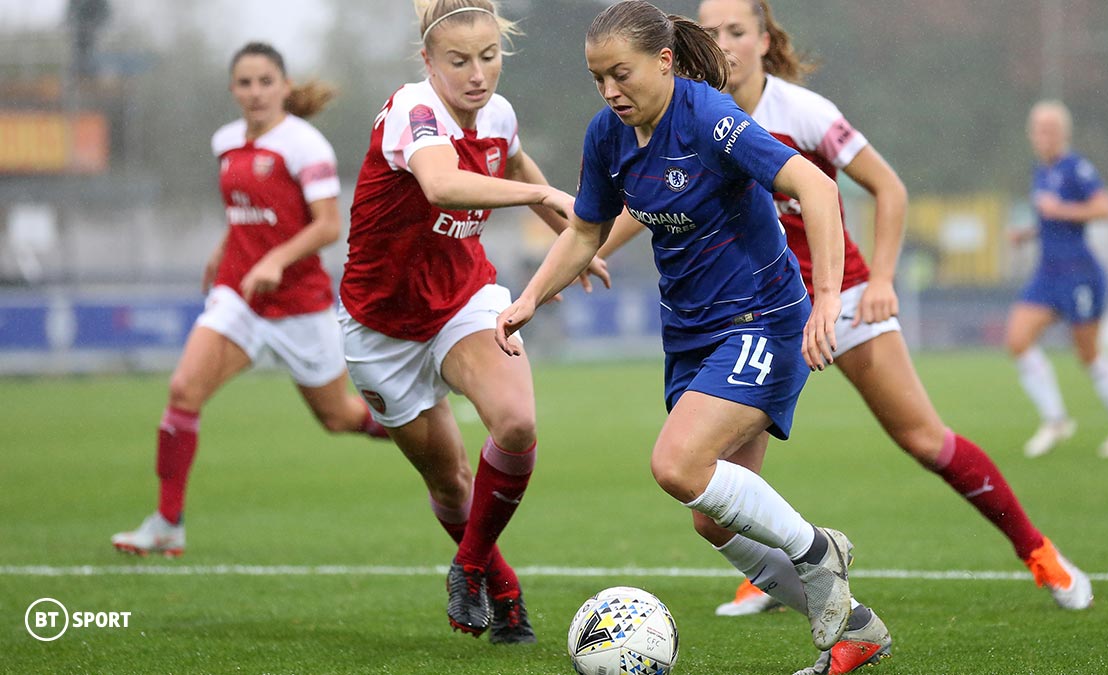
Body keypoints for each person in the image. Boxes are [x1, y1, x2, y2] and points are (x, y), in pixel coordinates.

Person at [601, 2, 1094, 671]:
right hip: (759, 314)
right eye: (709, 31)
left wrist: (883, 277)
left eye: (736, 31)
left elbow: (885, 188)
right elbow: (649, 197)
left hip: (846, 299)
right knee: (712, 505)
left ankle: (1037, 550)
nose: (722, 43)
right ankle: (818, 593)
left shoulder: (800, 111)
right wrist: (590, 244)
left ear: (764, 41)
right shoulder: (684, 116)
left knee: (924, 438)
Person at [497, 0, 864, 659]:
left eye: (622, 73)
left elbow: (815, 184)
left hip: (763, 320)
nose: (611, 90)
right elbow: (586, 230)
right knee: (710, 515)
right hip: (692, 337)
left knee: (676, 463)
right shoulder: (607, 135)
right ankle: (852, 627)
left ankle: (817, 548)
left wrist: (827, 298)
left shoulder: (710, 118)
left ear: (664, 62)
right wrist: (531, 297)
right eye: (597, 78)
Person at [338, 0, 608, 645]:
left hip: (465, 298)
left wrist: (572, 240)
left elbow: (513, 161)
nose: (477, 74)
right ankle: (503, 582)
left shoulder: (499, 114)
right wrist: (546, 198)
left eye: (489, 58)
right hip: (381, 328)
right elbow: (442, 184)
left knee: (515, 423)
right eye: (459, 60)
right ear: (428, 61)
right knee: (451, 483)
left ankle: (469, 567)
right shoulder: (414, 111)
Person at [111, 42, 391, 558]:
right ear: (232, 90)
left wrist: (277, 260)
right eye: (245, 82)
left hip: (300, 306)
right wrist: (225, 250)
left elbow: (329, 225)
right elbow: (246, 211)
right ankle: (167, 523)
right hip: (238, 296)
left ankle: (417, 433)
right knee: (183, 391)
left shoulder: (306, 145)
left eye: (266, 81)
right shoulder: (226, 141)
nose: (256, 92)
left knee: (339, 419)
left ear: (284, 86)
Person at [1007, 100, 1108, 459]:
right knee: (1018, 339)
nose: (1042, 136)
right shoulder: (1041, 170)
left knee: (1089, 355)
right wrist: (1030, 232)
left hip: (1080, 274)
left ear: (1063, 134)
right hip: (1047, 273)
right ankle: (1055, 420)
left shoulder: (1077, 168)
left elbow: (1105, 208)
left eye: (1049, 130)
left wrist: (1060, 210)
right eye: (1037, 130)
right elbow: (1051, 220)